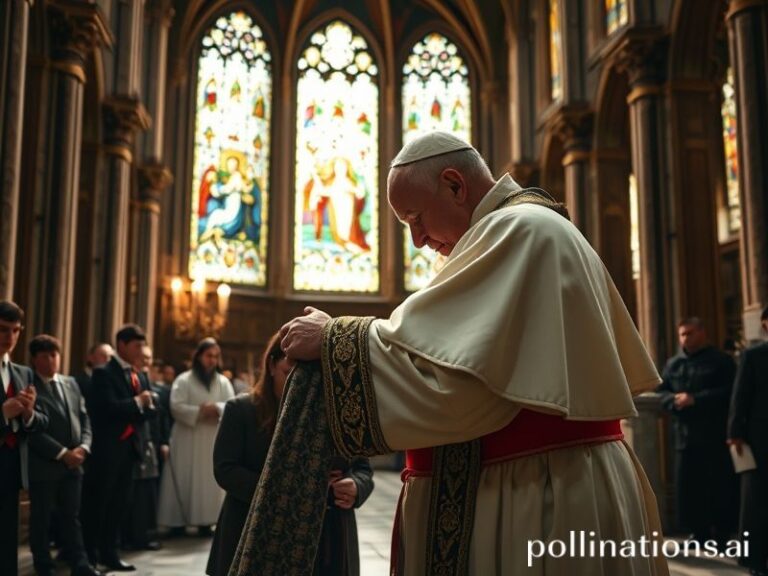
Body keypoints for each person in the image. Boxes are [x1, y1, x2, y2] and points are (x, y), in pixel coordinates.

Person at [245, 132, 669, 575]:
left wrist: (333, 338)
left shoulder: (517, 230)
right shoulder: (515, 231)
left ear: (454, 185)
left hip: (541, 491)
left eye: (416, 217)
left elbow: (454, 387)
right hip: (537, 479)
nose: (417, 240)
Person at [206, 333, 373, 576]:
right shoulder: (241, 410)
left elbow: (362, 468)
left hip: (326, 534)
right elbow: (226, 469)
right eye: (290, 374)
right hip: (254, 527)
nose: (301, 387)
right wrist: (295, 490)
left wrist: (357, 487)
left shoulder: (340, 416)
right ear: (272, 365)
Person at [26, 335, 103, 576]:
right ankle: (43, 564)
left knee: (72, 516)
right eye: (45, 356)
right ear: (34, 359)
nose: (51, 360)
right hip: (46, 464)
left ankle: (79, 563)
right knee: (42, 518)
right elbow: (32, 431)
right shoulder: (29, 386)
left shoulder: (70, 383)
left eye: (54, 355)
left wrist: (84, 447)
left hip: (74, 464)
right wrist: (62, 453)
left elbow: (84, 418)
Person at [656, 317, 737, 544]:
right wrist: (674, 400)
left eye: (690, 333)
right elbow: (661, 393)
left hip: (714, 434)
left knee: (718, 486)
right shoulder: (674, 364)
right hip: (684, 436)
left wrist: (696, 400)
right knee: (690, 486)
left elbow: (730, 393)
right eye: (682, 334)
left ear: (702, 333)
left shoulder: (721, 361)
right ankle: (698, 531)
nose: (685, 338)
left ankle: (721, 531)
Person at [84, 324, 156, 572]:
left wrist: (147, 405)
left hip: (130, 449)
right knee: (99, 505)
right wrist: (137, 402)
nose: (141, 350)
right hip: (108, 449)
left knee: (119, 505)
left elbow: (148, 412)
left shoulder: (139, 374)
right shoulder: (104, 373)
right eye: (137, 345)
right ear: (122, 345)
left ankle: (110, 554)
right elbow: (105, 409)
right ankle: (90, 557)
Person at [157, 338, 234, 535]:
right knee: (184, 477)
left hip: (211, 438)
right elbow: (176, 406)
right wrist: (199, 412)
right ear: (199, 356)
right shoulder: (183, 380)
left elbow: (233, 406)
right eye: (209, 356)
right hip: (187, 438)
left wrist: (216, 408)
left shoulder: (223, 382)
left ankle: (206, 522)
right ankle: (177, 523)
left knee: (207, 480)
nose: (212, 360)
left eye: (216, 356)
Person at [0, 300, 45, 576]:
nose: (10, 338)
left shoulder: (23, 372)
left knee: (7, 541)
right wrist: (2, 414)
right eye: (4, 330)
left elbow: (42, 420)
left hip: (12, 465)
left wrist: (28, 414)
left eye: (16, 331)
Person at [728, 306, 768, 576]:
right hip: (759, 439)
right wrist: (734, 433)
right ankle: (755, 562)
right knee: (756, 503)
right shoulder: (753, 355)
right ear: (765, 325)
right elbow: (740, 396)